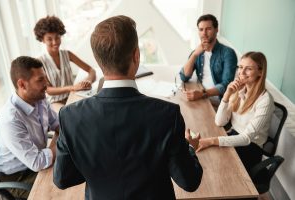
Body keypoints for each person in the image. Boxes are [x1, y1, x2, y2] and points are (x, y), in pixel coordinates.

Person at [53, 15, 203, 200]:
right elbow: (189, 181)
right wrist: (188, 148)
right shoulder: (167, 115)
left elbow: (63, 178)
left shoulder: (70, 116)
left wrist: (96, 166)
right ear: (136, 56)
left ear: (98, 60)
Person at [195, 51, 275, 172]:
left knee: (213, 162)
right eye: (240, 67)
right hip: (233, 135)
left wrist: (212, 141)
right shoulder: (239, 90)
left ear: (260, 72)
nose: (241, 72)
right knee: (205, 156)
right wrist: (227, 94)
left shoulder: (265, 101)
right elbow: (219, 122)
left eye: (248, 69)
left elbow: (246, 138)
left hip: (250, 147)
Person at [0, 56, 59, 199]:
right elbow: (37, 162)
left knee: (73, 168)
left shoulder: (40, 99)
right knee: (59, 190)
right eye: (40, 80)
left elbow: (57, 124)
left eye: (45, 78)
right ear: (22, 84)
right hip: (18, 177)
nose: (46, 84)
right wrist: (61, 144)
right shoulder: (10, 120)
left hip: (37, 159)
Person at [34, 15, 96, 112]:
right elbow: (48, 90)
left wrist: (88, 81)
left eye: (57, 37)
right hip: (54, 102)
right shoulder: (40, 62)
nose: (55, 42)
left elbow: (91, 70)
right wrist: (72, 87)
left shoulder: (67, 54)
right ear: (42, 40)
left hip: (73, 96)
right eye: (49, 39)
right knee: (68, 114)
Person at [180, 14, 237, 105]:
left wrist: (203, 94)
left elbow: (226, 85)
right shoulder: (197, 52)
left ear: (216, 30)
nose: (204, 33)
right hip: (201, 96)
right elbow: (184, 77)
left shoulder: (228, 53)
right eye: (201, 29)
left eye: (208, 29)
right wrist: (194, 55)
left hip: (219, 101)